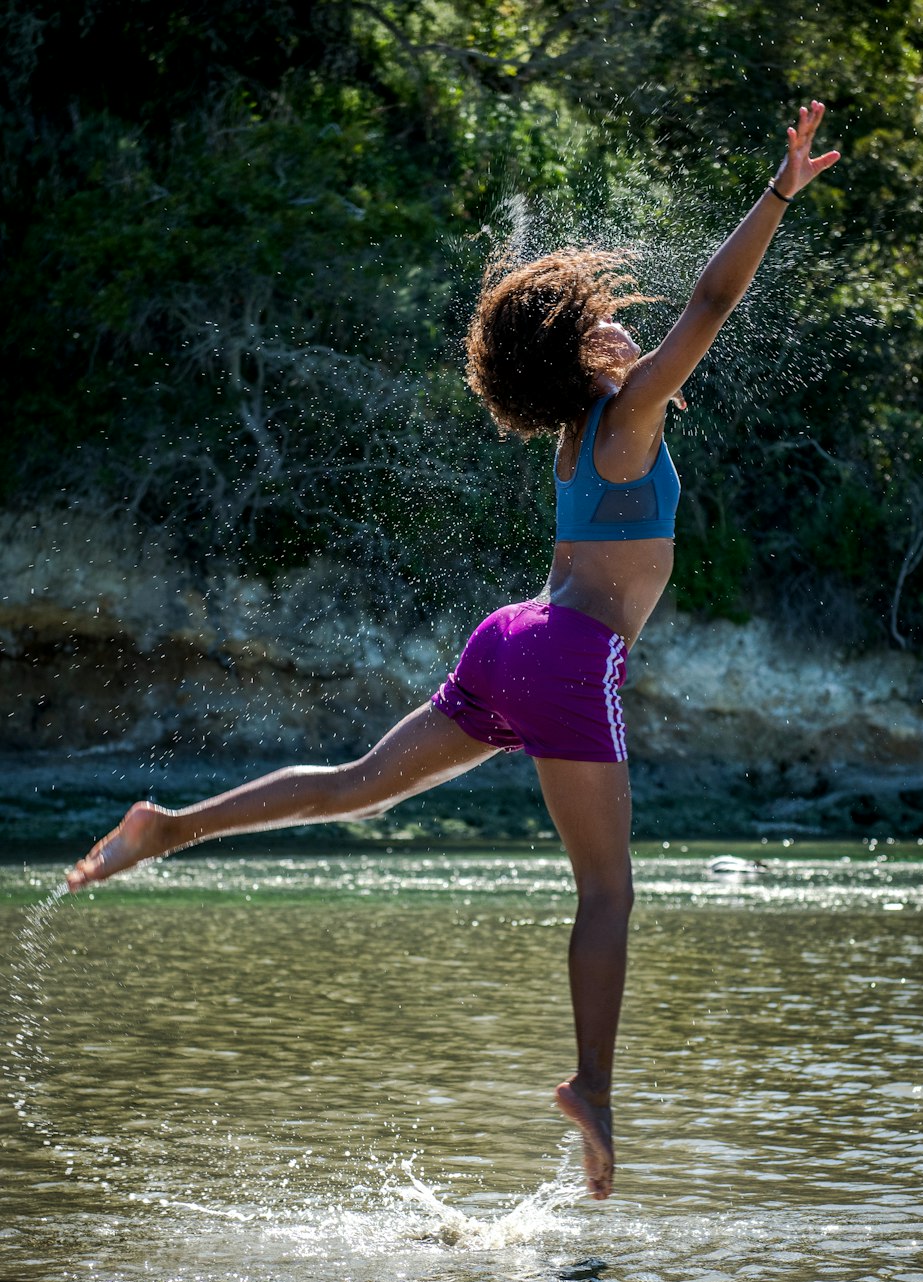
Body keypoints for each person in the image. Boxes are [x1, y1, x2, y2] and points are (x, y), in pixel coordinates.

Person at [66, 103, 839, 1201]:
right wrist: (777, 192)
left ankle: (172, 825)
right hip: (571, 660)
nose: (627, 331)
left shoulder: (581, 433)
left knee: (354, 788)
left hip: (507, 638)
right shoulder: (622, 423)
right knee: (607, 891)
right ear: (577, 360)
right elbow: (713, 302)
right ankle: (592, 1088)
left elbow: (650, 360)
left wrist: (614, 362)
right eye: (605, 329)